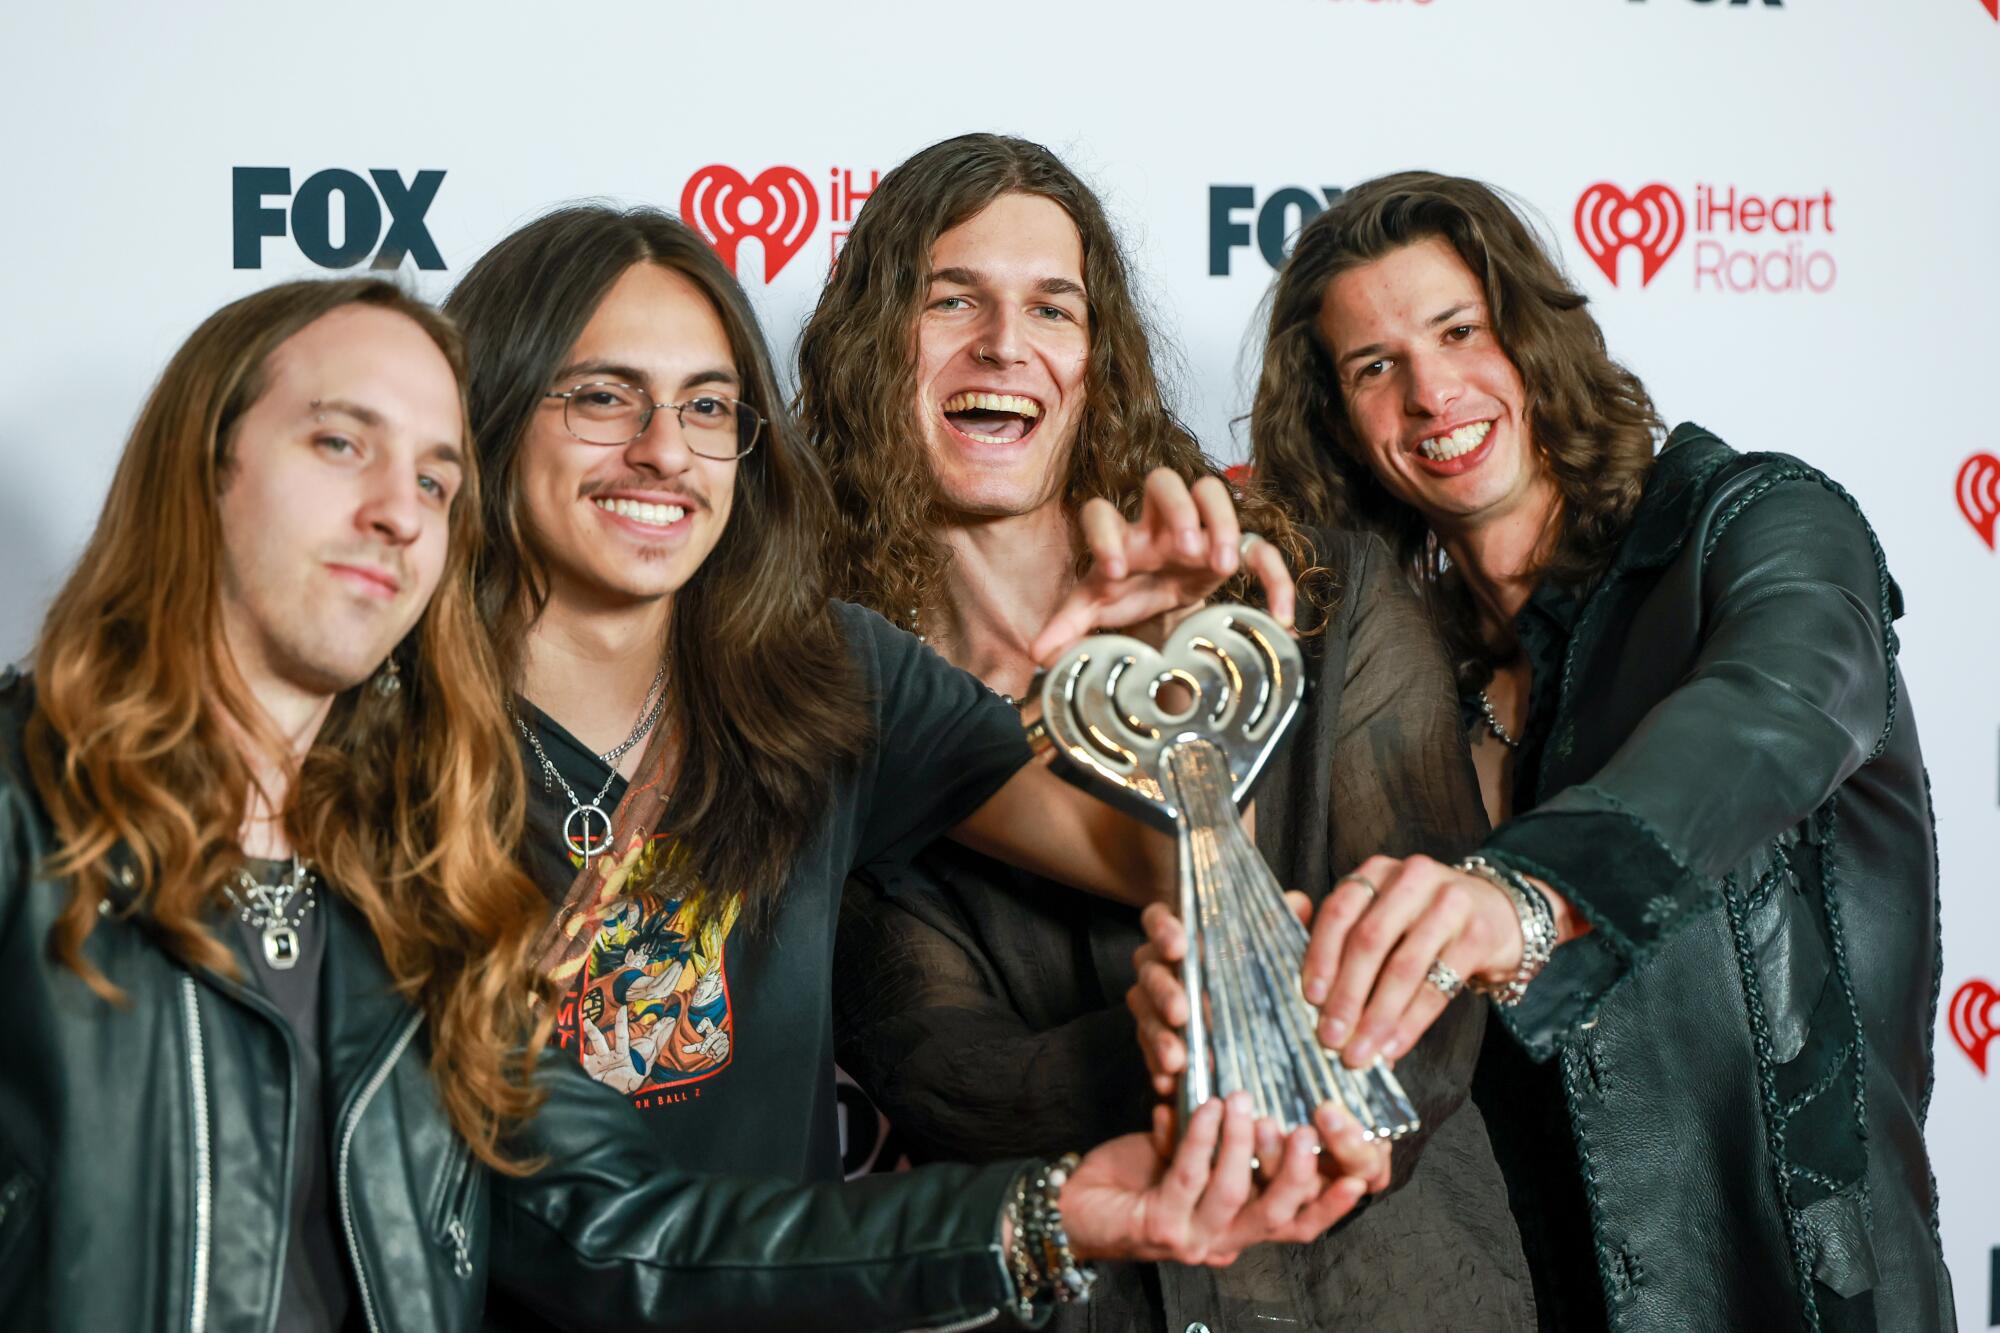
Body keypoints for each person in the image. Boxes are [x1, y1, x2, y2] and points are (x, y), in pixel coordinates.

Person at [0, 276, 1372, 1333]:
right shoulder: (25, 801)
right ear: (205, 464)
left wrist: (1052, 1214)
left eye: (431, 475)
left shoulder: (415, 877)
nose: (398, 511)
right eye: (340, 444)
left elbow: (625, 1229)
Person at [1136, 170, 1956, 1331]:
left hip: (1798, 1294)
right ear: (1340, 423)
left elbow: (1774, 708)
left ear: (1531, 333)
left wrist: (1518, 899)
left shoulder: (1755, 521)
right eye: (1373, 367)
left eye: (1457, 330)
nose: (1430, 392)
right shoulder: (1405, 682)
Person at [797, 132, 1534, 1331]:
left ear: (1096, 361)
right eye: (950, 300)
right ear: (869, 344)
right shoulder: (836, 702)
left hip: (1394, 1293)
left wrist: (1268, 1088)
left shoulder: (1320, 603)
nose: (1003, 343)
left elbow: (1430, 979)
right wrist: (1146, 1052)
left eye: (1051, 306)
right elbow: (941, 1069)